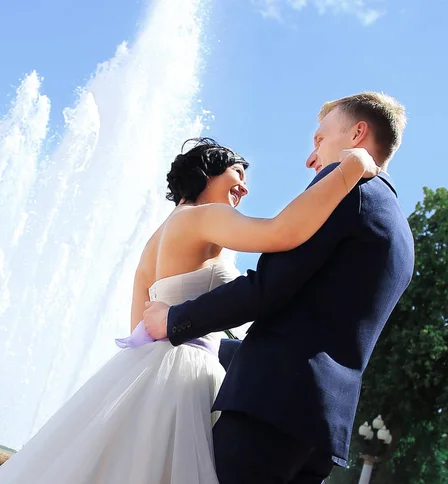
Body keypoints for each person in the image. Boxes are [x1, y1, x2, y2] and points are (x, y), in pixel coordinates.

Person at [0, 137, 380, 484]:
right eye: (237, 173)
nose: (243, 188)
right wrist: (351, 168)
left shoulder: (157, 236)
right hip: (188, 374)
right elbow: (282, 231)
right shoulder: (207, 217)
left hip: (145, 371)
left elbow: (141, 325)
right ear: (209, 170)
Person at [144, 93, 415, 484]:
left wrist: (175, 319)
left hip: (269, 410)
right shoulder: (401, 234)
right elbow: (321, 322)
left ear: (357, 133)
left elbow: (269, 287)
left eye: (320, 139)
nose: (311, 157)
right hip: (321, 431)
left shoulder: (345, 188)